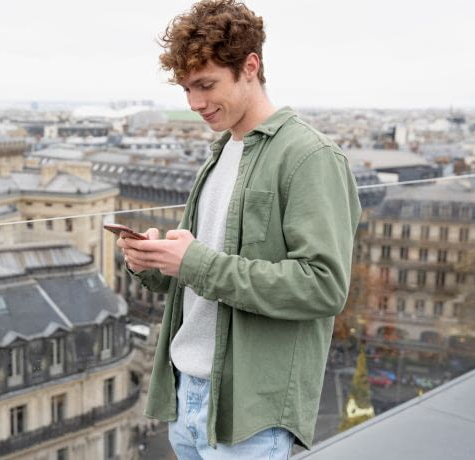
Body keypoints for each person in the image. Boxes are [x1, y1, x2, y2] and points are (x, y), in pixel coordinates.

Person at [117, 1, 362, 458]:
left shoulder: (309, 156)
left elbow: (324, 287)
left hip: (248, 412)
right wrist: (154, 262)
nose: (195, 104)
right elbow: (204, 272)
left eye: (207, 85)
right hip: (186, 396)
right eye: (187, 89)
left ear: (251, 66)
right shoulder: (221, 152)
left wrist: (194, 262)